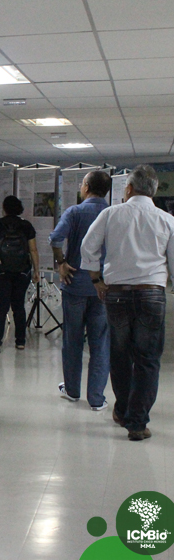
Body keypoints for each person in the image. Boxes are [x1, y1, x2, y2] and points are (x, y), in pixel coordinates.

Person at [81, 165, 174, 441]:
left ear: (129, 188)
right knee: (147, 359)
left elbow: (88, 247)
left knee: (120, 356)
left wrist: (97, 279)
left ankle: (122, 410)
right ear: (154, 192)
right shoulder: (167, 219)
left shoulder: (111, 214)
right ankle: (137, 422)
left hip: (117, 294)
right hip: (152, 293)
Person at [49, 171, 111, 411]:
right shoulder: (111, 213)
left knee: (72, 340)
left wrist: (61, 263)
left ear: (86, 187)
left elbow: (55, 239)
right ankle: (96, 399)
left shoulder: (74, 212)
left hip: (74, 285)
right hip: (103, 288)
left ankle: (72, 391)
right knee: (100, 342)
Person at [0, 196, 40, 353]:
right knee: (19, 306)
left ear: (4, 208)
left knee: (1, 306)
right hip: (22, 271)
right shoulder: (26, 226)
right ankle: (20, 341)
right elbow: (32, 249)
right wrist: (36, 270)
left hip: (1, 271)